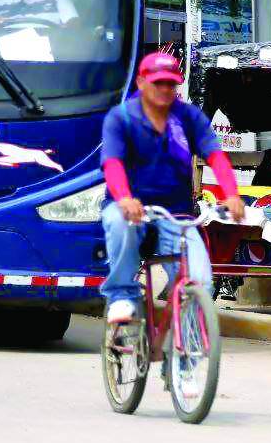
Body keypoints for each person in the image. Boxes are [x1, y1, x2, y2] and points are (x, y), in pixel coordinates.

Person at [100, 51, 245, 324]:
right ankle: (121, 295)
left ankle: (186, 354)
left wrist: (232, 194)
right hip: (130, 209)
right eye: (158, 83)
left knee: (200, 281)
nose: (165, 89)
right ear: (142, 82)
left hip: (176, 214)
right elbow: (113, 164)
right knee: (119, 224)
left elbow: (215, 155)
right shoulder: (122, 118)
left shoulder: (188, 117)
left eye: (171, 83)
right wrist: (124, 198)